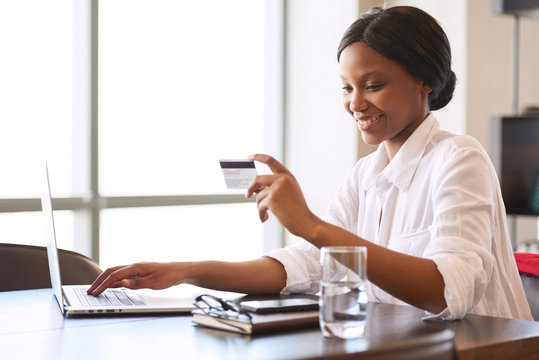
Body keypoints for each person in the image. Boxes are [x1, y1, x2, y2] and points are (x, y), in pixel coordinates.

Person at [88, 6, 533, 320]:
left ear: (424, 82)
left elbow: (447, 291)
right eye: (346, 88)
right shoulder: (366, 174)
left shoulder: (459, 158)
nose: (356, 103)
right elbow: (308, 264)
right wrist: (186, 272)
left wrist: (310, 224)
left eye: (373, 85)